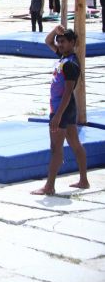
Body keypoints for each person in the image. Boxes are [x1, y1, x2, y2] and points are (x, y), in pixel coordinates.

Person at [31, 26, 90, 196]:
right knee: (75, 143)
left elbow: (68, 92)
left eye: (63, 41)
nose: (60, 44)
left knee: (56, 148)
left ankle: (49, 186)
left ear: (72, 42)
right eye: (59, 42)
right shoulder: (64, 57)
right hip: (66, 108)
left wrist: (57, 116)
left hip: (62, 108)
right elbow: (48, 41)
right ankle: (84, 180)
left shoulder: (70, 64)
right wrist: (56, 31)